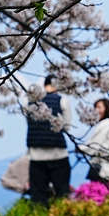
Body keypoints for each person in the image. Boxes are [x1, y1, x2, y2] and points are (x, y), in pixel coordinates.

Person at [26, 75, 72, 205]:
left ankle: (40, 215)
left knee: (38, 194)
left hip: (36, 155)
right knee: (62, 191)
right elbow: (66, 126)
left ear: (44, 85)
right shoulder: (62, 100)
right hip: (58, 154)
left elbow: (28, 122)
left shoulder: (29, 102)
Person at [77, 99, 109, 182]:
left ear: (107, 109)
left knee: (99, 187)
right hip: (104, 165)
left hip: (103, 167)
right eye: (95, 107)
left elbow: (95, 145)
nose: (96, 110)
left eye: (99, 107)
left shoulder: (106, 123)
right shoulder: (107, 123)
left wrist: (80, 148)